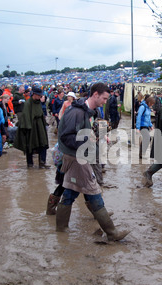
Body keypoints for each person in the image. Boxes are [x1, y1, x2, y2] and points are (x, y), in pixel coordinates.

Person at [56, 82, 129, 241]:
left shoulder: (89, 111)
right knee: (93, 190)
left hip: (81, 156)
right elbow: (65, 137)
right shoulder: (76, 112)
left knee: (70, 192)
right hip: (76, 158)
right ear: (95, 94)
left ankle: (60, 229)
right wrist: (85, 139)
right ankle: (112, 233)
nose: (105, 101)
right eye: (104, 98)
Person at [13, 87, 50, 169]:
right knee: (30, 145)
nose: (40, 97)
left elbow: (40, 113)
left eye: (40, 95)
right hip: (31, 127)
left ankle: (42, 162)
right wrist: (27, 129)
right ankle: (30, 164)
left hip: (39, 126)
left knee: (43, 143)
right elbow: (25, 116)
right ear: (34, 94)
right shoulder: (28, 103)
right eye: (38, 95)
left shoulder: (38, 103)